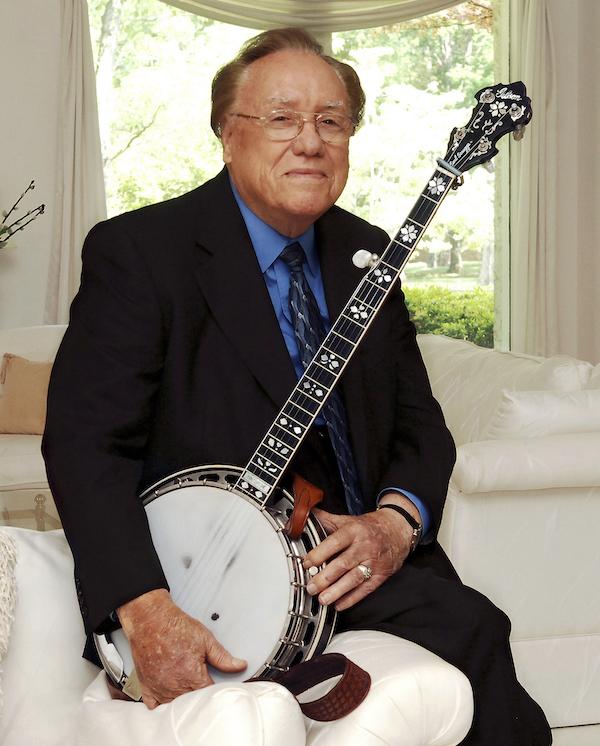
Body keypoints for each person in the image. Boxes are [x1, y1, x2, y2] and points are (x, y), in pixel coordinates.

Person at [43, 27, 551, 745]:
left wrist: (395, 523)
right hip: (206, 580)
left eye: (331, 121)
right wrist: (144, 605)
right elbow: (84, 444)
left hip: (346, 570)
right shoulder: (141, 252)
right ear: (228, 133)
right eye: (281, 118)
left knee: (474, 632)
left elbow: (419, 425)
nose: (309, 141)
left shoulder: (364, 253)